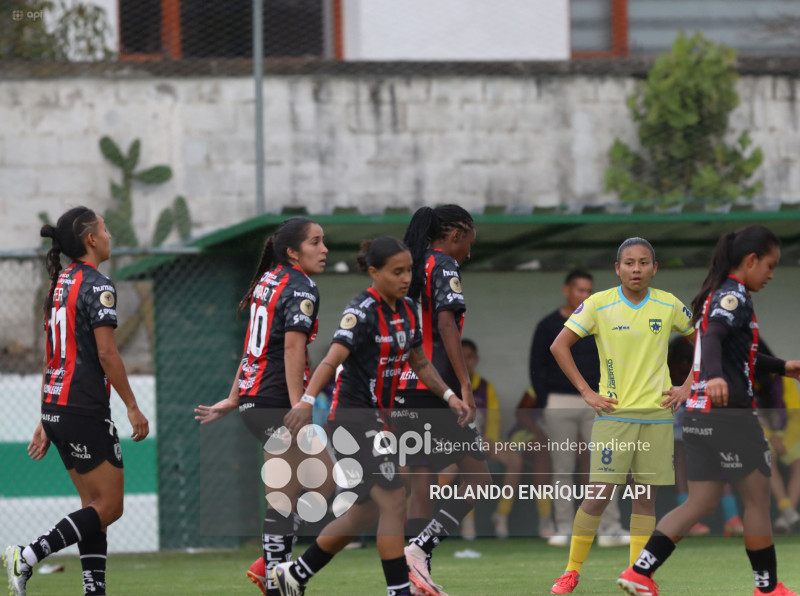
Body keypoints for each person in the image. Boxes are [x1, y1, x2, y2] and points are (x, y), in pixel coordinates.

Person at [271, 236, 470, 596]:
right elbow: (331, 360)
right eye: (397, 271)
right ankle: (399, 590)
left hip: (380, 421)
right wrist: (306, 401)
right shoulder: (361, 311)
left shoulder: (407, 309)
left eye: (409, 270)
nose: (406, 278)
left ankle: (295, 574)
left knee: (365, 513)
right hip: (352, 420)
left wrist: (449, 396)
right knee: (394, 497)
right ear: (374, 272)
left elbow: (420, 363)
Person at [619, 225, 800, 596]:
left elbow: (740, 355)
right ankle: (768, 589)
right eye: (769, 265)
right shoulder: (733, 295)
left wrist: (783, 367)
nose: (770, 274)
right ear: (751, 260)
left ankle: (640, 572)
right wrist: (716, 377)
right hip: (730, 415)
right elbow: (714, 336)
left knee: (701, 501)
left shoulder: (715, 294)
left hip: (698, 416)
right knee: (757, 501)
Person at [4, 207, 150, 596]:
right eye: (105, 228)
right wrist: (132, 406)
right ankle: (28, 555)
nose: (109, 235)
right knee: (110, 506)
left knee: (93, 507)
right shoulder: (97, 284)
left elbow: (53, 355)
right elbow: (107, 354)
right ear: (91, 239)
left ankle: (93, 589)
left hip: (58, 406)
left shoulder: (59, 284)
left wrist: (45, 417)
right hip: (83, 406)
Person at [193, 217, 334, 596]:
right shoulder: (301, 286)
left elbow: (254, 345)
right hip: (276, 401)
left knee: (298, 491)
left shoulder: (269, 280)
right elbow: (291, 348)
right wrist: (300, 403)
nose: (324, 249)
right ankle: (276, 576)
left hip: (257, 400)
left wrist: (235, 397)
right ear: (292, 252)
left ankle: (271, 569)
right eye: (315, 242)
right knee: (317, 485)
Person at [549, 238, 694, 594]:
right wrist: (587, 392)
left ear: (654, 268)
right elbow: (559, 345)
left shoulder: (669, 304)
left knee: (644, 498)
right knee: (598, 495)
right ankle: (571, 571)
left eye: (644, 262)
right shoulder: (598, 304)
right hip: (614, 416)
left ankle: (637, 575)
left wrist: (688, 386)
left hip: (658, 416)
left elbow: (705, 341)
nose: (636, 269)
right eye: (629, 263)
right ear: (617, 268)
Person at [393, 205, 491, 596]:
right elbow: (446, 323)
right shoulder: (444, 265)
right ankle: (418, 550)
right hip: (435, 391)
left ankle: (417, 579)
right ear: (455, 236)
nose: (468, 251)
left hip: (404, 388)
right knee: (480, 481)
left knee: (422, 484)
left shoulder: (408, 267)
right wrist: (464, 386)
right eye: (469, 242)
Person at [529, 269, 628, 548]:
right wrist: (545, 401)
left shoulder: (600, 321)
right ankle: (564, 528)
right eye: (580, 290)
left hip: (598, 401)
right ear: (566, 290)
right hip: (559, 402)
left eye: (588, 291)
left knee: (605, 466)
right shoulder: (548, 324)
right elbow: (536, 366)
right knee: (562, 468)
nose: (584, 295)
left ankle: (609, 529)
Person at [669, 335, 745, 538]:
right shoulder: (666, 378)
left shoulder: (707, 373)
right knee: (679, 458)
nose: (684, 366)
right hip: (676, 429)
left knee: (720, 456)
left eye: (689, 362)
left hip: (703, 423)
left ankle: (732, 518)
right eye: (681, 361)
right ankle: (690, 522)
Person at [455, 338, 522, 539]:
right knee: (467, 458)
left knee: (514, 459)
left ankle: (501, 515)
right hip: (456, 444)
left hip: (483, 441)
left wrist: (490, 439)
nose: (466, 362)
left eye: (469, 357)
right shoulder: (448, 386)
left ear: (476, 359)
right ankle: (467, 519)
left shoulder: (485, 387)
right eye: (461, 357)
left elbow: (494, 418)